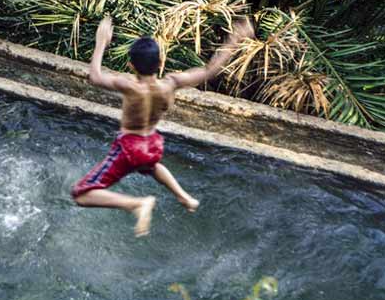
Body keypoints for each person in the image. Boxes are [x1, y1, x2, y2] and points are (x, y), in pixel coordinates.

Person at [71, 14, 252, 236]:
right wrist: (236, 38)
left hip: (130, 147)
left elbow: (95, 77)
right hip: (153, 144)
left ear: (131, 65)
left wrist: (101, 42)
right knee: (150, 165)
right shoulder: (171, 84)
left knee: (81, 194)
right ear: (160, 63)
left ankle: (136, 204)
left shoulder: (128, 85)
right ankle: (183, 196)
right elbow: (209, 70)